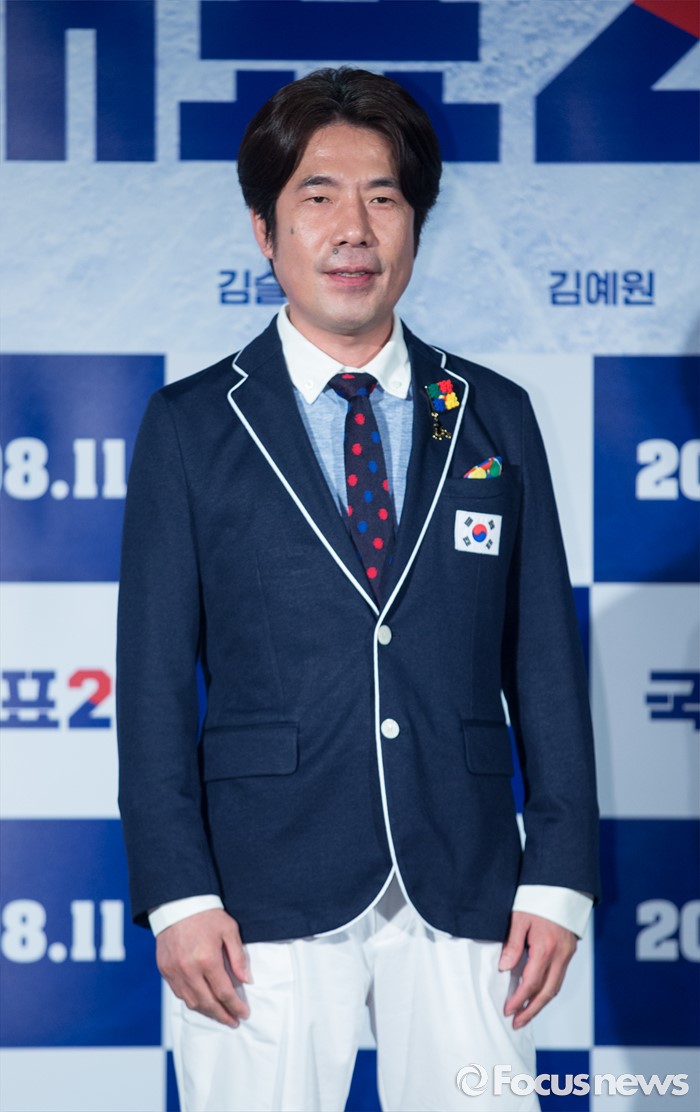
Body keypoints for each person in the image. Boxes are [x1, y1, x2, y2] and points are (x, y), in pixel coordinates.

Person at [117, 67, 599, 1112]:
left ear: (415, 225)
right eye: (318, 196)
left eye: (383, 197)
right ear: (264, 231)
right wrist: (178, 893)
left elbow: (546, 666)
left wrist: (559, 874)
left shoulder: (495, 413)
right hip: (256, 890)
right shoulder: (191, 425)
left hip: (466, 874)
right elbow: (150, 686)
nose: (353, 229)